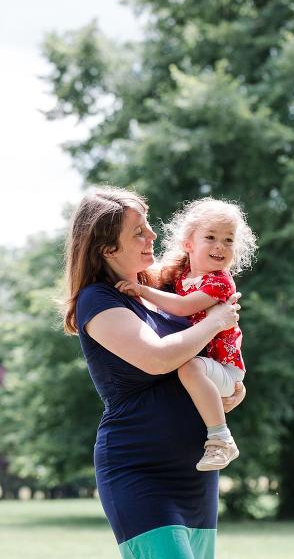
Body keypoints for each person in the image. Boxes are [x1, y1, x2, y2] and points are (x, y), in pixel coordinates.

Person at [62, 187, 246, 557]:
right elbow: (157, 359)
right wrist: (215, 321)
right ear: (107, 249)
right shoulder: (97, 299)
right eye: (139, 232)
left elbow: (202, 351)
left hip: (196, 471)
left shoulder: (158, 290)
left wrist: (230, 390)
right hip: (140, 469)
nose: (154, 236)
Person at [115, 198, 257, 471]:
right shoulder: (182, 272)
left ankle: (221, 439)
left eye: (229, 240)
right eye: (211, 237)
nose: (220, 246)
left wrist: (141, 290)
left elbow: (183, 306)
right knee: (190, 368)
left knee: (190, 368)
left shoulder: (220, 282)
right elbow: (152, 276)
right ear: (189, 243)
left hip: (225, 368)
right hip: (206, 371)